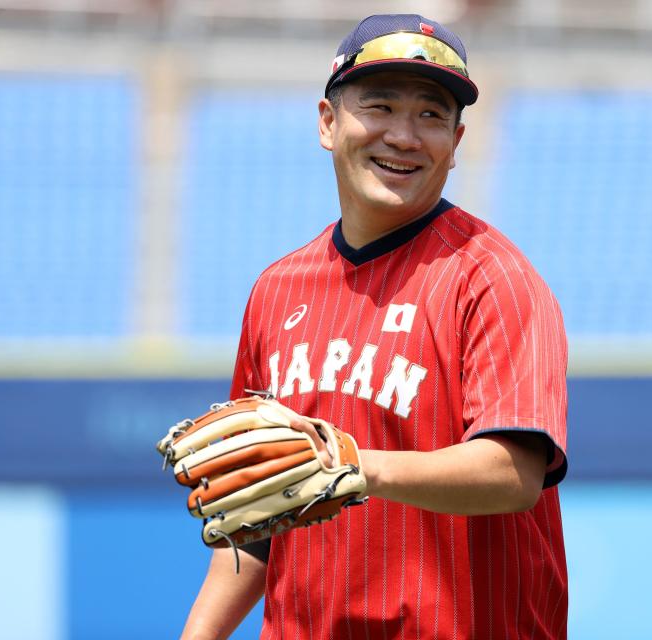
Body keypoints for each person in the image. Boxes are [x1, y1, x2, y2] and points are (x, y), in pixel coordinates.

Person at [181, 14, 569, 639]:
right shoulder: (277, 290)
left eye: (431, 115)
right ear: (328, 123)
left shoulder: (493, 279)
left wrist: (357, 466)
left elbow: (514, 475)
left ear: (457, 139)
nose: (404, 136)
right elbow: (256, 512)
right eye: (380, 106)